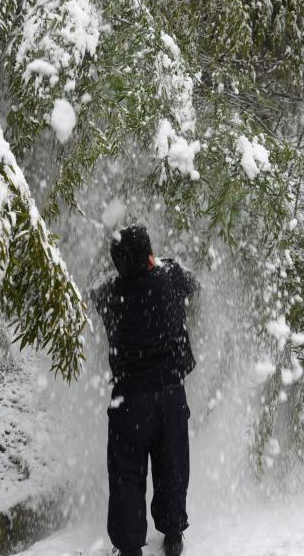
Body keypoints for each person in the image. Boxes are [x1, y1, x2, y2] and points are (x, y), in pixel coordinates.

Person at [92, 224, 197, 556]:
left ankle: (129, 545)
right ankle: (173, 534)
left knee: (126, 474)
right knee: (172, 467)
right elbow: (192, 284)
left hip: (128, 400)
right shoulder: (170, 277)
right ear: (150, 256)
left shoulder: (109, 292)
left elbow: (94, 292)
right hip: (170, 393)